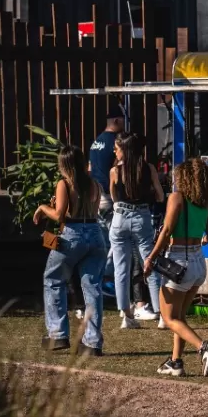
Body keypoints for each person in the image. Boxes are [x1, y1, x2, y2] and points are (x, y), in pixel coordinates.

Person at [145, 158, 208, 377]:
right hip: (198, 263)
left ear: (184, 178)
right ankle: (175, 362)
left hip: (179, 262)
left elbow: (167, 230)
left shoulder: (176, 198)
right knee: (180, 316)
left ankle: (203, 347)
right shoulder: (205, 202)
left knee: (169, 318)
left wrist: (151, 257)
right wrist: (196, 242)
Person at [36, 145, 106, 356]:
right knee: (92, 287)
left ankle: (57, 334)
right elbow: (88, 210)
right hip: (95, 234)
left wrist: (42, 208)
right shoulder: (95, 184)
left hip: (72, 235)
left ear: (64, 165)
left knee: (53, 279)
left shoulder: (64, 184)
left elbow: (59, 216)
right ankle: (92, 343)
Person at [109, 132, 165, 329]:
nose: (114, 151)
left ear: (125, 149)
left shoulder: (115, 171)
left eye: (117, 148)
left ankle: (127, 315)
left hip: (120, 218)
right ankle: (161, 314)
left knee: (120, 269)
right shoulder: (148, 169)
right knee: (150, 264)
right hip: (141, 217)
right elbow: (160, 196)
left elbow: (114, 197)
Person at [88, 104, 125, 313]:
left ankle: (99, 280)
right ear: (117, 121)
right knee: (115, 240)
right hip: (109, 197)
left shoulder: (96, 142)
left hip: (96, 196)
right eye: (123, 121)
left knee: (103, 241)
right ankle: (107, 282)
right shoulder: (114, 142)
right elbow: (117, 168)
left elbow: (89, 168)